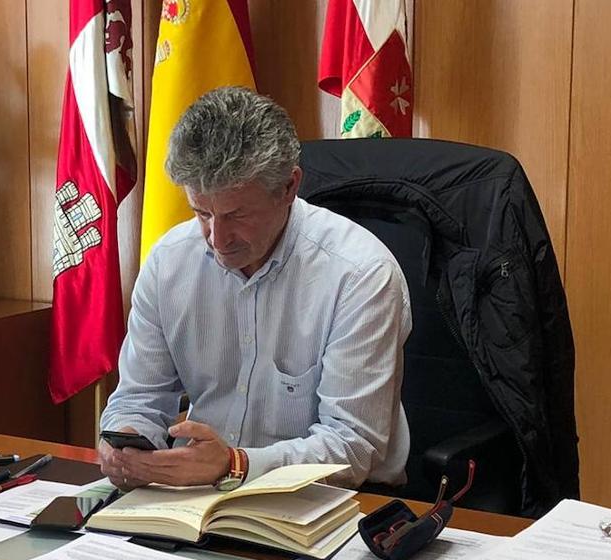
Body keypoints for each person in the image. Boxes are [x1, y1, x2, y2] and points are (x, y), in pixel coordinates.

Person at [98, 86, 411, 492]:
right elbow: (138, 398)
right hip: (201, 495)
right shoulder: (169, 263)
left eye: (237, 215)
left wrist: (235, 464)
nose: (217, 238)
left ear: (289, 187)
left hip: (336, 499)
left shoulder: (360, 274)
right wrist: (124, 442)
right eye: (202, 213)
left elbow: (351, 447)